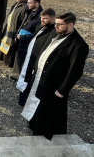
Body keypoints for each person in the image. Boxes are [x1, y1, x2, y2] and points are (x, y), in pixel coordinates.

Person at [21, 12, 89, 140]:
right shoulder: (56, 32)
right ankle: (33, 123)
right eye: (56, 23)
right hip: (40, 77)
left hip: (54, 85)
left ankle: (41, 132)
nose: (56, 26)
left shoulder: (79, 45)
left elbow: (75, 71)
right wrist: (35, 69)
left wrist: (62, 90)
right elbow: (43, 51)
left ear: (70, 24)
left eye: (59, 24)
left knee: (48, 111)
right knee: (36, 101)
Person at [17, 8, 56, 106]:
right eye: (41, 18)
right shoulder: (42, 26)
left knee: (31, 81)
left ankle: (27, 101)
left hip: (37, 61)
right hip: (30, 57)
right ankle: (23, 100)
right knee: (26, 79)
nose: (42, 20)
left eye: (45, 18)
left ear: (53, 19)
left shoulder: (53, 32)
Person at [13, 0, 43, 79]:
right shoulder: (29, 11)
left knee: (25, 61)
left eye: (29, 3)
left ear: (36, 3)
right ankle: (18, 75)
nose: (27, 5)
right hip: (21, 40)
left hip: (27, 43)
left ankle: (22, 78)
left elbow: (37, 34)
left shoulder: (40, 18)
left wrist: (23, 37)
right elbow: (23, 24)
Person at [0, 0, 28, 71]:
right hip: (9, 28)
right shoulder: (16, 4)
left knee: (11, 46)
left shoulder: (25, 7)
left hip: (15, 30)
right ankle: (4, 59)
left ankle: (9, 62)